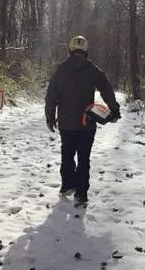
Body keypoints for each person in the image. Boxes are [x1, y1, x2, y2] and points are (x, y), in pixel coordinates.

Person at [44, 35, 121, 206]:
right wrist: (114, 109)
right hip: (87, 122)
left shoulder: (61, 69)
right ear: (86, 50)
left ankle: (67, 185)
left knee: (67, 155)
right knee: (84, 158)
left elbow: (51, 95)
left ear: (70, 50)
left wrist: (49, 116)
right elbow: (106, 89)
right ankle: (81, 193)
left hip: (66, 123)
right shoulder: (92, 69)